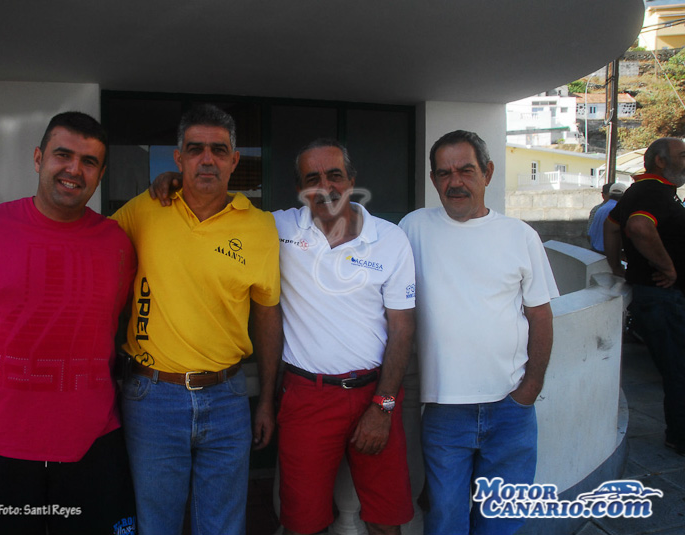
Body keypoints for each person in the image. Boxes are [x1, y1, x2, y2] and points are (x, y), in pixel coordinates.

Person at [148, 138, 417, 535]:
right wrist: (179, 182)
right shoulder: (277, 228)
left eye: (335, 175)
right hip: (307, 397)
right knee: (302, 524)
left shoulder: (391, 239)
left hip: (376, 394)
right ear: (298, 189)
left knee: (385, 520)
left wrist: (384, 405)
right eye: (312, 179)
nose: (325, 187)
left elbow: (403, 329)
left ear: (352, 180)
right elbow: (218, 208)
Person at [0, 112, 138, 535]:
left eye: (89, 161)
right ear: (38, 158)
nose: (74, 169)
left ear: (101, 174)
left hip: (93, 449)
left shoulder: (118, 243)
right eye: (63, 155)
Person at [111, 104, 283, 535]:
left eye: (218, 150)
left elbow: (267, 315)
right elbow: (90, 253)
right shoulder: (145, 210)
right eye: (195, 149)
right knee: (157, 525)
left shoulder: (261, 227)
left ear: (234, 160)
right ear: (178, 158)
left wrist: (265, 399)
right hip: (152, 397)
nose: (208, 159)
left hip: (228, 397)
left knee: (224, 527)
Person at [398, 130, 558, 535]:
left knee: (502, 521)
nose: (455, 182)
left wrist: (530, 388)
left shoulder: (520, 235)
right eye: (444, 173)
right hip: (444, 410)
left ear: (487, 172)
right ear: (433, 180)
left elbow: (540, 316)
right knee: (445, 519)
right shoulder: (413, 228)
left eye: (466, 170)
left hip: (510, 408)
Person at [604, 136, 685, 456]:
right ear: (661, 161)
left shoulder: (644, 191)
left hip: (660, 298)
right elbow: (639, 227)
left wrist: (615, 265)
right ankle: (679, 436)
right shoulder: (652, 190)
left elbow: (612, 227)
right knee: (679, 370)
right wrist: (668, 267)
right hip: (662, 297)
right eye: (683, 155)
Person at [588, 182, 627, 253]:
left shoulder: (600, 209)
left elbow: (590, 234)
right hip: (609, 253)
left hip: (596, 251)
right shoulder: (618, 209)